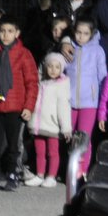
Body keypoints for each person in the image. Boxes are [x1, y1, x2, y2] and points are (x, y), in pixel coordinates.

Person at [0, 16, 38, 191]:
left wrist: (28, 106)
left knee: (13, 145)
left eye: (10, 31)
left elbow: (32, 82)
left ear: (17, 33)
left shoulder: (24, 54)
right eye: (2, 31)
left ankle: (12, 173)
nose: (5, 35)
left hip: (15, 107)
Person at [64, 17, 107, 177]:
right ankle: (70, 166)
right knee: (70, 135)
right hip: (70, 100)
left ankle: (81, 169)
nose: (81, 36)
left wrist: (103, 99)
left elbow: (103, 76)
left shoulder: (97, 51)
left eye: (85, 33)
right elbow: (63, 71)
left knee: (84, 136)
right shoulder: (69, 48)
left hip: (90, 101)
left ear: (92, 34)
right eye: (78, 32)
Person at [26, 52, 73, 188]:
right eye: (50, 66)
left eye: (57, 67)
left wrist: (66, 128)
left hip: (53, 126)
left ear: (61, 69)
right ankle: (40, 174)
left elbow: (63, 107)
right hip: (38, 125)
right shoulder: (40, 83)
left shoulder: (61, 85)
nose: (53, 70)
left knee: (52, 152)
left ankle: (51, 176)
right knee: (39, 152)